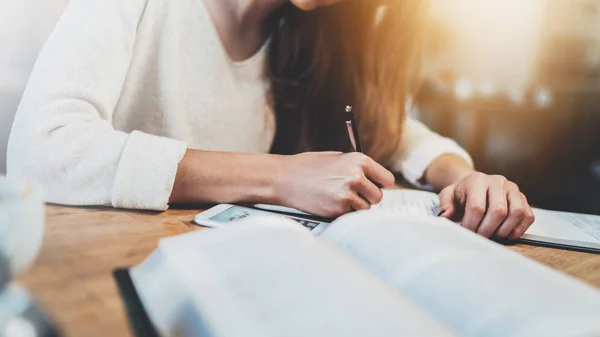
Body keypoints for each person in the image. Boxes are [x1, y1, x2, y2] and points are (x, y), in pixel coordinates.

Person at [7, 0, 535, 240]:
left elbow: (398, 134)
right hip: (96, 279)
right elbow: (43, 147)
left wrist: (463, 177)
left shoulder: (317, 35)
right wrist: (281, 176)